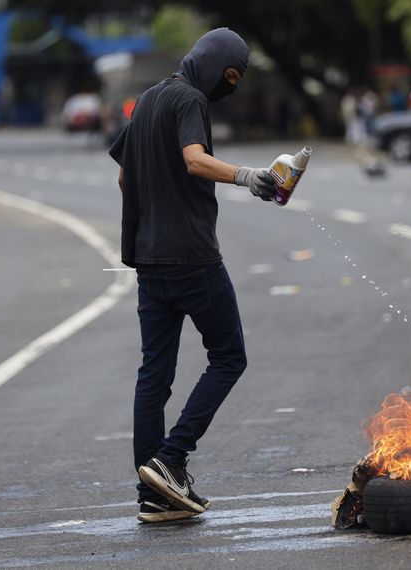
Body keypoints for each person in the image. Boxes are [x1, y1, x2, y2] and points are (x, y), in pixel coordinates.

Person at [109, 28, 277, 524]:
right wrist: (248, 177)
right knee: (229, 357)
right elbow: (194, 160)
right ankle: (172, 457)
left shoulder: (147, 100)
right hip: (193, 258)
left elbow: (124, 175)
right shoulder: (188, 99)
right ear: (210, 64)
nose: (228, 88)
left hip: (149, 261)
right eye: (228, 76)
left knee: (153, 376)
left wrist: (152, 215)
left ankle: (154, 496)